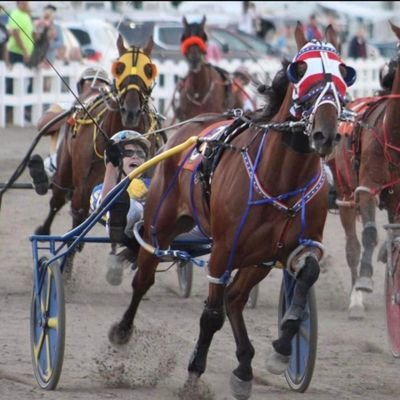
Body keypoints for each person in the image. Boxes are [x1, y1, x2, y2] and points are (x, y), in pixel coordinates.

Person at [28, 66, 111, 195]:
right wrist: (71, 112)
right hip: (64, 160)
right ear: (80, 87)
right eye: (90, 84)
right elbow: (42, 126)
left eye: (100, 85)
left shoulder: (110, 112)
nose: (95, 89)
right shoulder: (66, 106)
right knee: (54, 162)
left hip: (98, 162)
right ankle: (43, 176)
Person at [90, 130, 152, 285]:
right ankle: (118, 220)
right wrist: (111, 166)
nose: (135, 156)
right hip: (117, 218)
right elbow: (102, 206)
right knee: (129, 207)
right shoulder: (100, 188)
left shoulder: (150, 184)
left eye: (140, 153)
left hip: (151, 229)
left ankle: (125, 256)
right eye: (128, 152)